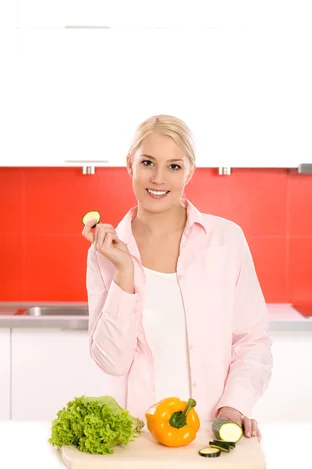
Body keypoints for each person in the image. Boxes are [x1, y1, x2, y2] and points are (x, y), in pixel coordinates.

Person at [82, 114, 273, 440]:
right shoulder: (106, 253)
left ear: (190, 171)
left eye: (173, 166)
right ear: (130, 164)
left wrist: (234, 406)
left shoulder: (226, 240)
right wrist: (124, 272)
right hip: (137, 440)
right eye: (147, 163)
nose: (158, 178)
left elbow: (252, 342)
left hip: (208, 435)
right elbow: (111, 362)